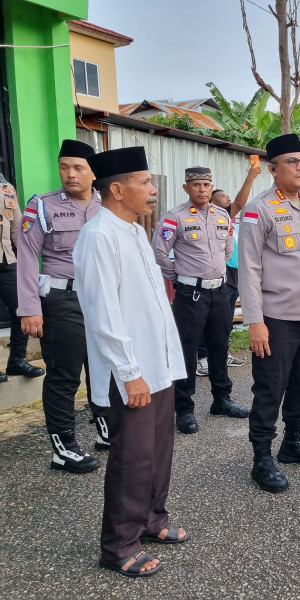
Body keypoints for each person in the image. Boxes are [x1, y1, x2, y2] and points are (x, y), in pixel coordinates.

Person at [74, 146, 189, 578]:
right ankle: (117, 545)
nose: (152, 189)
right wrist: (130, 372)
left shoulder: (136, 232)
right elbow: (103, 314)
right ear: (117, 189)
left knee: (159, 450)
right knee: (132, 457)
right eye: (144, 181)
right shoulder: (99, 235)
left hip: (157, 367)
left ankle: (151, 520)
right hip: (131, 374)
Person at [239, 132, 300, 493]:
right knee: (270, 388)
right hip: (276, 317)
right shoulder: (258, 208)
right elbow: (249, 268)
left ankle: (292, 442)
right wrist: (255, 321)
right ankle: (261, 458)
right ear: (273, 170)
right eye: (292, 161)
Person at [16, 139, 108, 472]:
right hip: (61, 298)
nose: (70, 174)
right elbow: (26, 256)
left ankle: (105, 429)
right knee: (65, 375)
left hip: (100, 299)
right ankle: (63, 447)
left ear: (93, 171)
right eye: (64, 166)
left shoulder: (109, 203)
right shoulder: (42, 205)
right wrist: (29, 307)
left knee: (103, 368)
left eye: (78, 167)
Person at [153, 166, 250, 435]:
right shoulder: (174, 218)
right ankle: (184, 409)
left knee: (220, 345)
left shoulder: (222, 215)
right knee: (186, 351)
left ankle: (222, 400)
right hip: (190, 294)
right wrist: (179, 277)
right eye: (196, 185)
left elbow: (228, 247)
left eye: (207, 184)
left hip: (219, 292)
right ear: (186, 188)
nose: (202, 190)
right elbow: (160, 253)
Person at [195, 188, 245, 377]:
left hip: (236, 274)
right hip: (222, 275)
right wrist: (251, 176)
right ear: (214, 204)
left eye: (228, 195)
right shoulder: (218, 216)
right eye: (224, 197)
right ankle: (204, 358)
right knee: (209, 320)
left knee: (225, 320)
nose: (229, 198)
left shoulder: (231, 220)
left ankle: (222, 353)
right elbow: (239, 204)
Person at [0, 176, 44, 383]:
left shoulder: (6, 187)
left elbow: (17, 228)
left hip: (7, 259)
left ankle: (16, 360)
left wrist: (28, 258)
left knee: (21, 307)